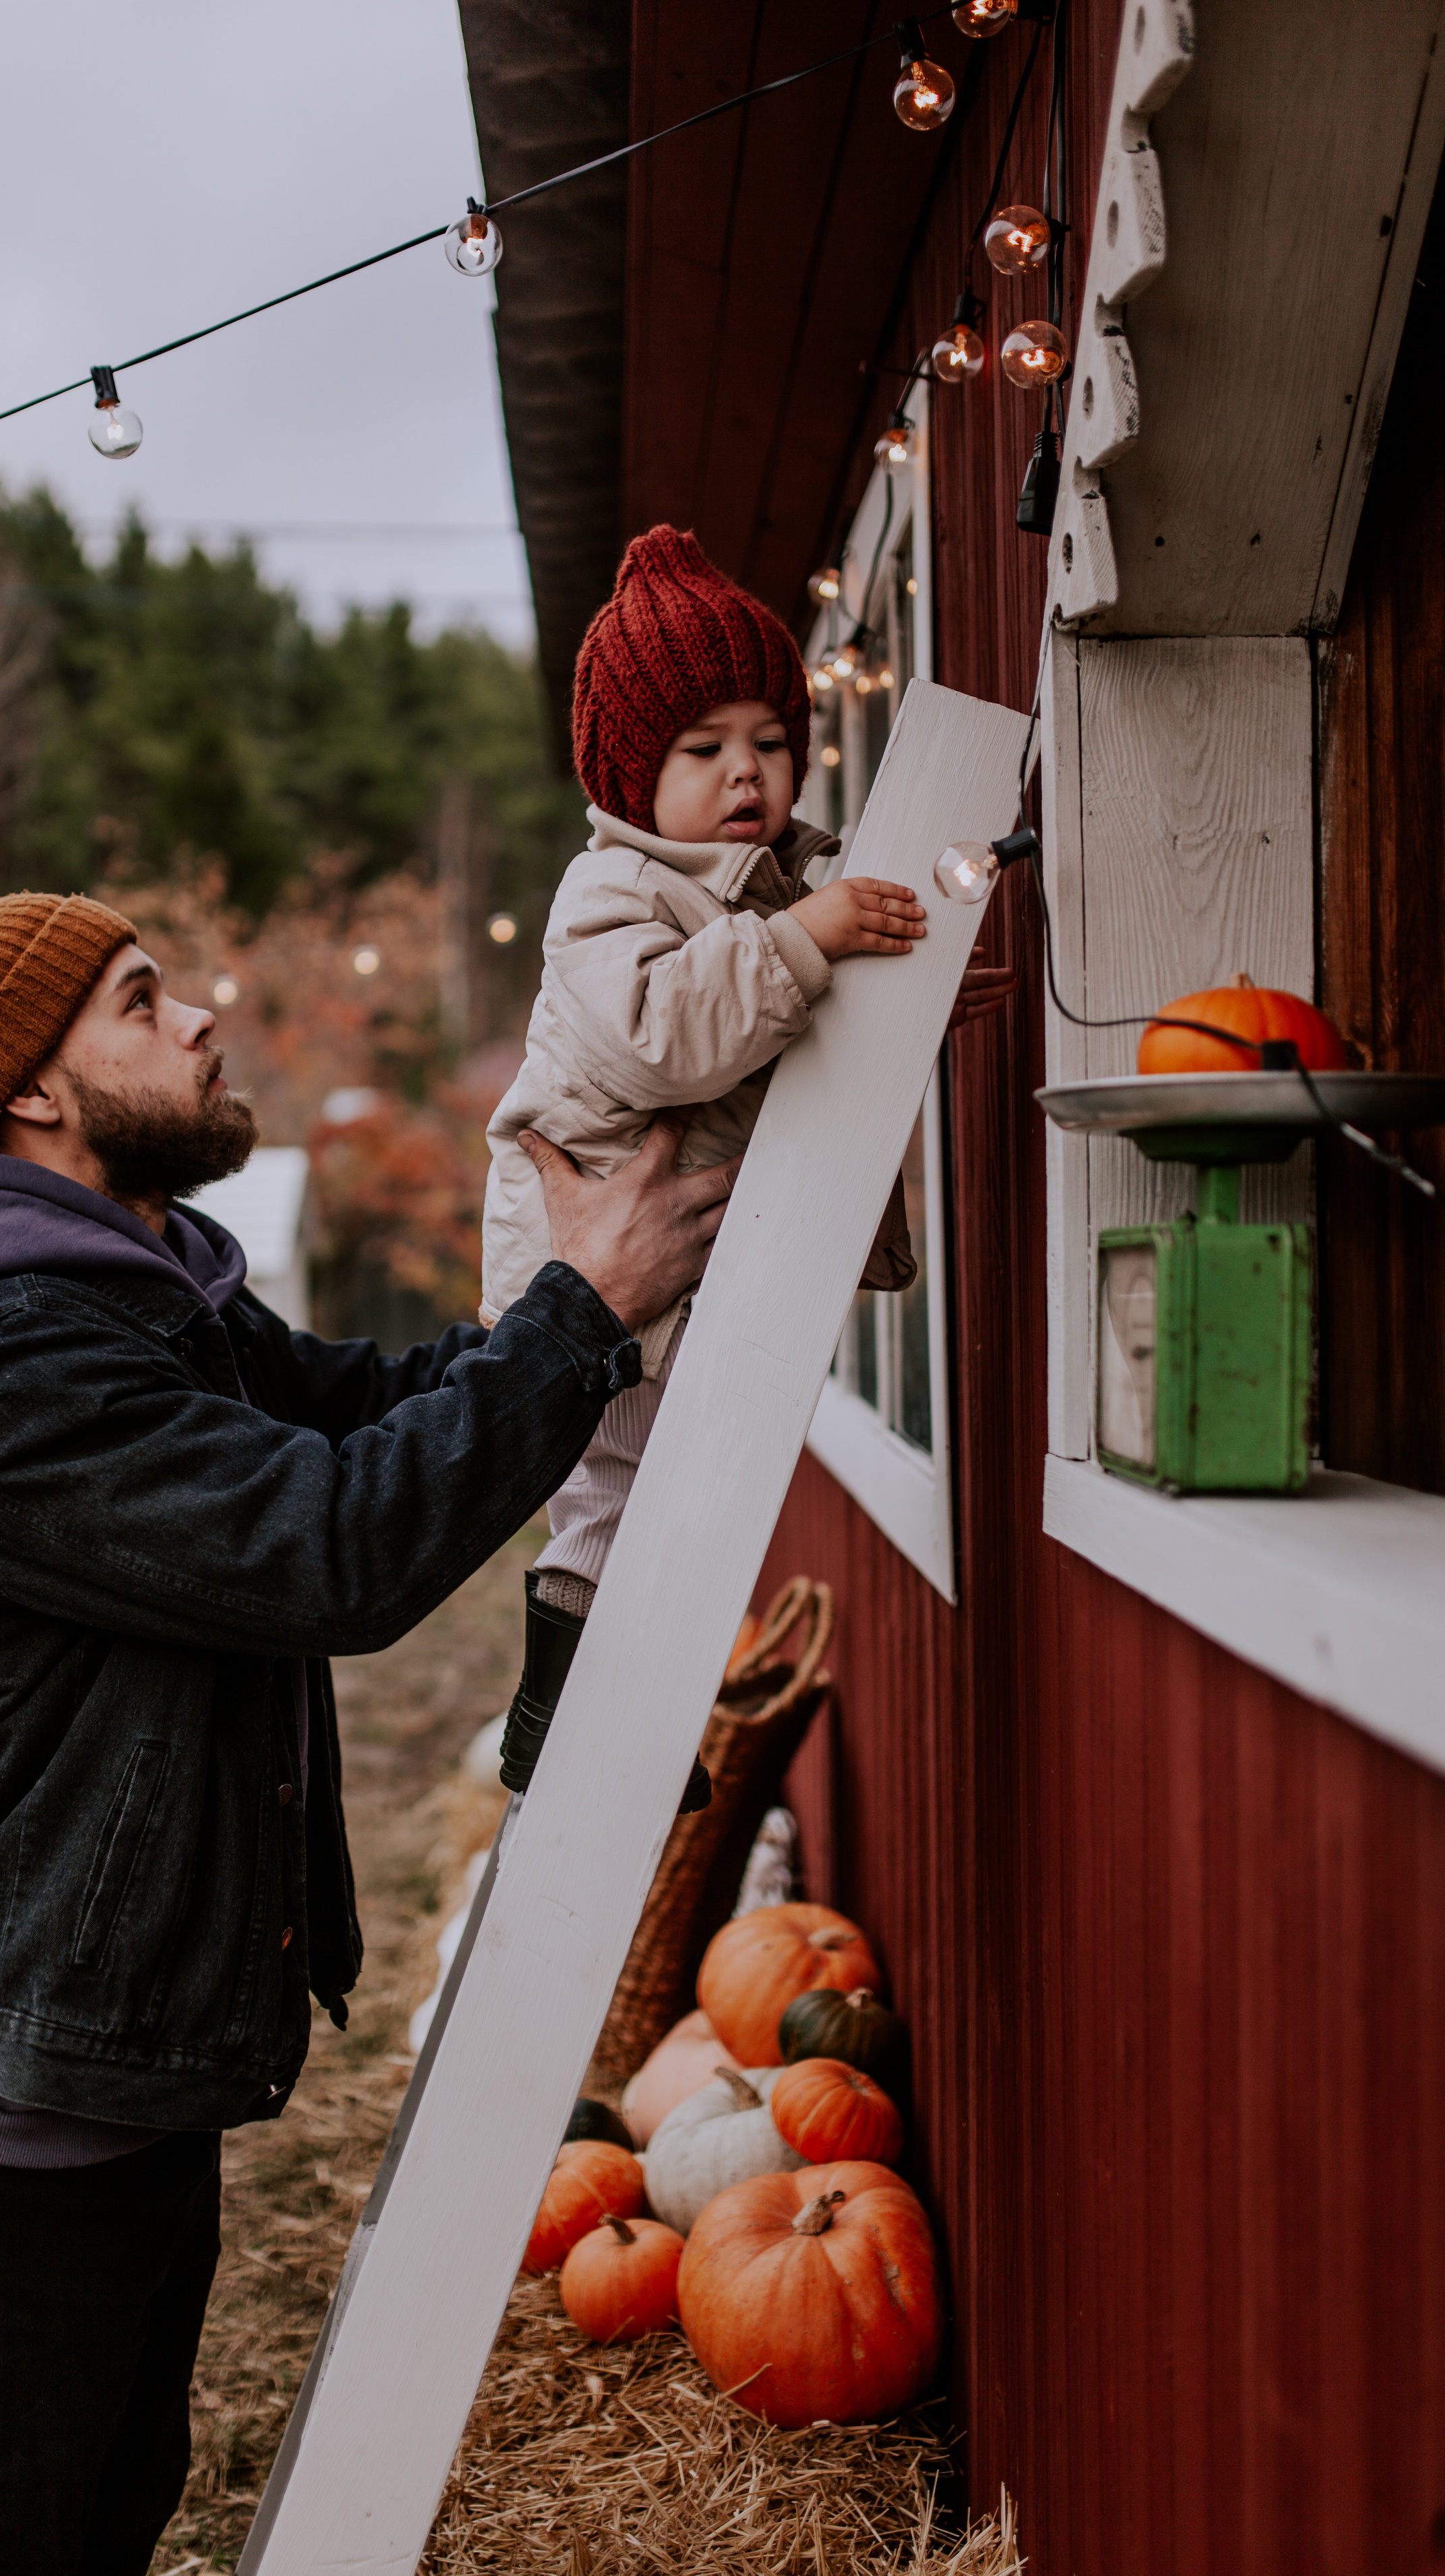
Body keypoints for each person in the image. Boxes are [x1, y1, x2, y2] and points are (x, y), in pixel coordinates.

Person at [0, 888, 736, 2576]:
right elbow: (334, 1546)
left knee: (101, 2517)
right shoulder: (7, 1359)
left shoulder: (145, 1294)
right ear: (32, 1088)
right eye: (141, 999)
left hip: (103, 2061)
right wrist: (579, 1314)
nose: (200, 1019)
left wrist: (573, 1304)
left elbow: (379, 1409)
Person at [482, 525, 1012, 1796]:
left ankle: (626, 1723)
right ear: (630, 776)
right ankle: (567, 1726)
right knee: (618, 1492)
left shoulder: (787, 884)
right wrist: (815, 937)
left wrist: (905, 989)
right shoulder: (611, 894)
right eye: (702, 748)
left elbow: (804, 1029)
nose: (746, 773)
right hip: (599, 1268)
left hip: (686, 1274)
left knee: (677, 1504)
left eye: (770, 741)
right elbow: (672, 1038)